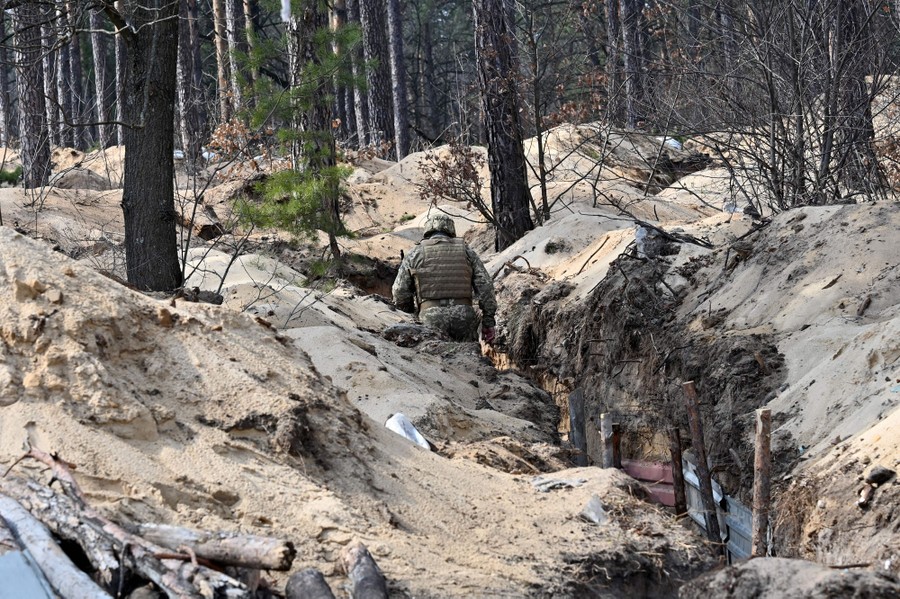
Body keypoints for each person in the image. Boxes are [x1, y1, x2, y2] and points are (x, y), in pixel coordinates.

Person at [392, 214, 497, 343]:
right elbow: (485, 286)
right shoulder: (466, 251)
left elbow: (399, 291)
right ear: (451, 230)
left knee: (435, 359)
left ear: (427, 231)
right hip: (464, 317)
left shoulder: (414, 253)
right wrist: (488, 321)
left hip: (430, 317)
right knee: (469, 359)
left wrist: (408, 313)